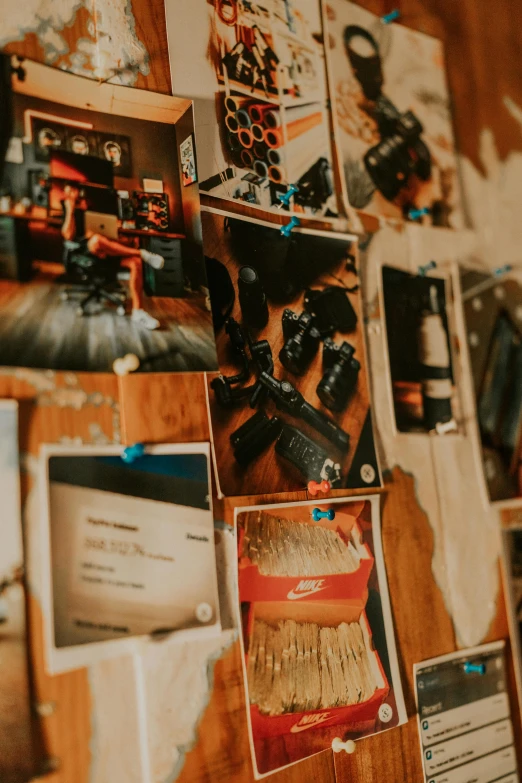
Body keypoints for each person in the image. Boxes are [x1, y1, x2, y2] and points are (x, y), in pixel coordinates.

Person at [61, 185, 164, 330]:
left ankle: (138, 311)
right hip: (83, 253)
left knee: (135, 263)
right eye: (68, 192)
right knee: (96, 240)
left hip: (105, 252)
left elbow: (106, 229)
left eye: (73, 190)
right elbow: (68, 236)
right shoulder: (67, 209)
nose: (71, 194)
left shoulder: (92, 207)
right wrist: (70, 210)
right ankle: (141, 253)